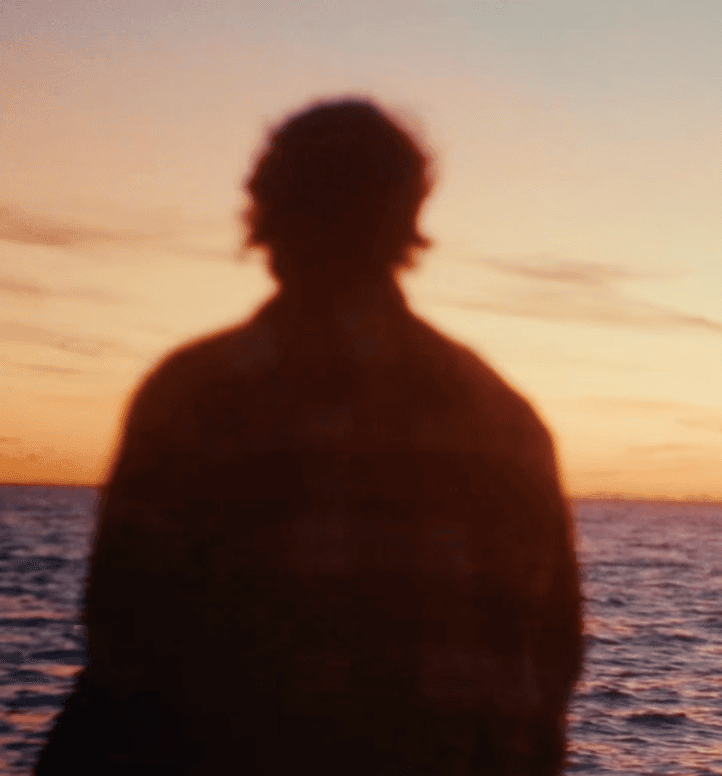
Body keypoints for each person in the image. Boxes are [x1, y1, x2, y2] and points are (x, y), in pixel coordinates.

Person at [36, 98, 583, 775]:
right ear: (408, 219)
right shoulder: (509, 423)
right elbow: (551, 674)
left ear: (265, 213)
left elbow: (128, 653)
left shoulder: (201, 396)